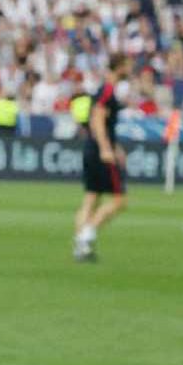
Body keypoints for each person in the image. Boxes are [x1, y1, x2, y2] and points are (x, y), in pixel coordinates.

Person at [73, 55, 132, 262]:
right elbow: (97, 119)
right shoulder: (107, 90)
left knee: (91, 198)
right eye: (128, 66)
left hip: (93, 147)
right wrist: (106, 149)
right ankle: (86, 235)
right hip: (100, 151)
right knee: (119, 200)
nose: (130, 70)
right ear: (120, 67)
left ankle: (81, 248)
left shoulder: (104, 89)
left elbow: (100, 122)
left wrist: (116, 147)